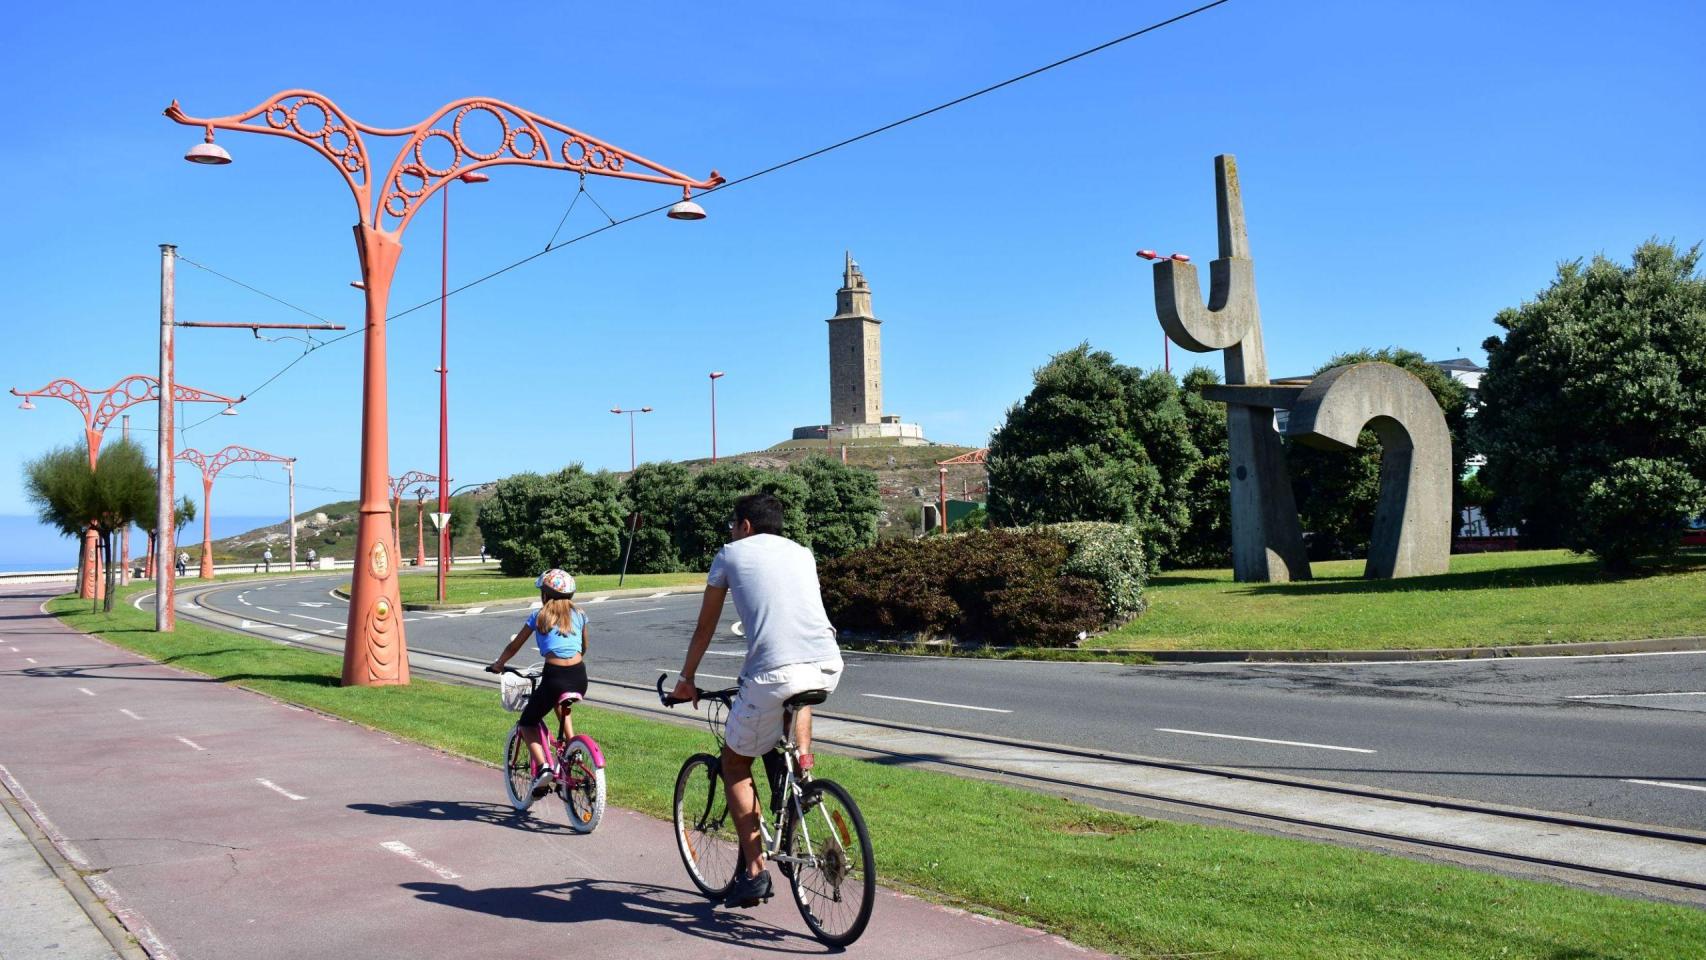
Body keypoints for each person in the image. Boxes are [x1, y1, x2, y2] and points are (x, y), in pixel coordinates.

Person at [672, 492, 843, 909]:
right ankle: (801, 775)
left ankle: (754, 872)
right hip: (826, 663)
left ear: (745, 525)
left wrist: (687, 679)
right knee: (797, 699)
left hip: (771, 673)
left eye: (733, 524)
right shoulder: (803, 552)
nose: (731, 531)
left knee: (734, 763)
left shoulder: (731, 554)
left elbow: (705, 626)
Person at [486, 569, 590, 799]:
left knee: (527, 721)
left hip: (554, 676)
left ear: (545, 595)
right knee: (562, 702)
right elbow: (584, 647)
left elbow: (514, 647)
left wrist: (499, 663)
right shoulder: (580, 614)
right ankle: (574, 748)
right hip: (580, 676)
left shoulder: (539, 616)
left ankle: (543, 766)